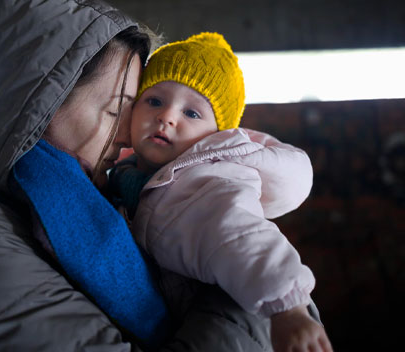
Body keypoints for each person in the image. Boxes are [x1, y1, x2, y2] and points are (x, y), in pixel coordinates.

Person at [0, 0, 287, 351]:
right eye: (114, 110)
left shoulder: (94, 202)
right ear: (41, 105)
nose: (127, 135)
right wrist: (242, 278)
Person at [108, 32, 333, 351]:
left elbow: (244, 236)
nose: (167, 117)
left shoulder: (208, 183)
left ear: (215, 136)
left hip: (246, 314)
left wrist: (288, 310)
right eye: (155, 100)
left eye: (192, 113)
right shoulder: (123, 177)